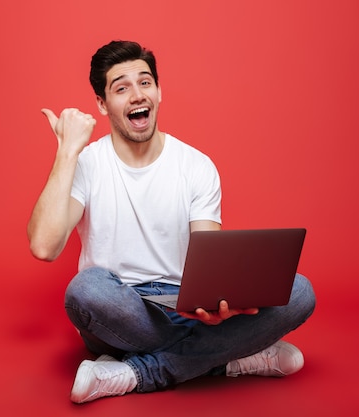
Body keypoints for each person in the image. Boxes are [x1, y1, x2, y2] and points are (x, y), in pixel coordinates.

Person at [27, 40, 316, 404]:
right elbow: (43, 246)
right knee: (86, 289)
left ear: (159, 92)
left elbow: (209, 267)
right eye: (121, 87)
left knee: (300, 291)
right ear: (102, 104)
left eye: (145, 82)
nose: (136, 95)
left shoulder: (196, 166)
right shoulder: (86, 164)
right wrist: (67, 150)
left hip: (183, 306)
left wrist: (214, 306)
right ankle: (228, 358)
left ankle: (136, 372)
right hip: (122, 310)